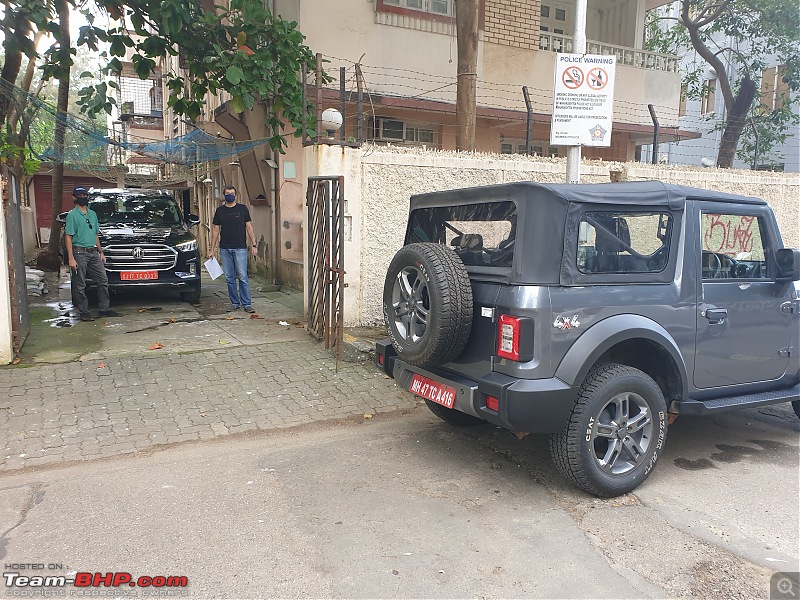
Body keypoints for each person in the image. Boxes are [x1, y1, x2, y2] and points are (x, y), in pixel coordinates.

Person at [65, 186, 122, 322]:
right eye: (79, 195)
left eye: (85, 194)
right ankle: (84, 312)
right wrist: (71, 258)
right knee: (80, 284)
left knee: (103, 280)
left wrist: (101, 251)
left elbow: (95, 234)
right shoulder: (72, 215)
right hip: (79, 252)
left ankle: (105, 309)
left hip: (93, 252)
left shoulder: (92, 214)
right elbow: (68, 237)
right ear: (74, 197)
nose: (83, 197)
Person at [208, 186, 258, 313]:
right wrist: (211, 249)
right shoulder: (220, 211)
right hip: (225, 248)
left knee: (242, 276)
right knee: (229, 277)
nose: (230, 195)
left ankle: (247, 303)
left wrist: (254, 244)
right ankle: (234, 302)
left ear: (236, 195)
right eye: (227, 194)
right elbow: (215, 230)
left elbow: (249, 227)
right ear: (224, 195)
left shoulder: (242, 209)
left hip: (240, 248)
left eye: (232, 193)